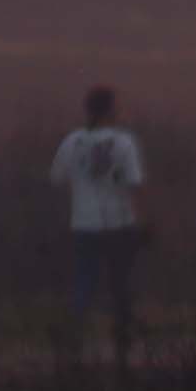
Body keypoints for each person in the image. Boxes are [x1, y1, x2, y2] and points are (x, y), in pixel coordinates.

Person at [49, 86, 148, 361]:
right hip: (119, 222)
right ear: (111, 109)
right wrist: (143, 221)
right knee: (121, 284)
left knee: (84, 282)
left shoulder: (72, 142)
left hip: (84, 223)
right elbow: (135, 184)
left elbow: (57, 177)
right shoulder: (124, 142)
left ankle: (75, 340)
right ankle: (123, 344)